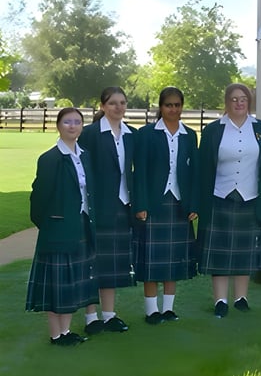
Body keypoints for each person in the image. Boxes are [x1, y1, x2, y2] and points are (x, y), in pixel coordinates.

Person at [198, 83, 261, 318]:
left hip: (251, 197)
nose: (239, 103)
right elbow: (203, 167)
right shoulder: (213, 130)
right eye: (234, 99)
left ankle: (241, 298)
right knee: (220, 253)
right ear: (226, 102)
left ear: (248, 102)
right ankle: (220, 300)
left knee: (244, 252)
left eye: (243, 99)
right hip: (220, 197)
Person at [26, 107, 99, 346]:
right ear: (58, 125)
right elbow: (39, 199)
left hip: (82, 225)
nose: (72, 126)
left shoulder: (84, 155)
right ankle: (56, 335)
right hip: (57, 229)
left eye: (77, 122)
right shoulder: (49, 159)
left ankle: (66, 332)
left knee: (72, 283)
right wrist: (50, 224)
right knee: (58, 284)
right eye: (67, 122)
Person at [133, 87, 199, 324]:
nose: (173, 109)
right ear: (160, 107)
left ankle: (168, 309)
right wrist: (140, 204)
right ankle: (152, 311)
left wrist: (194, 204)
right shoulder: (146, 134)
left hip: (179, 203)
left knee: (173, 259)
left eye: (177, 105)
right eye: (169, 105)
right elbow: (138, 173)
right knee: (151, 261)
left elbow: (194, 173)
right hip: (153, 203)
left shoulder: (189, 135)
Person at [78, 86, 135, 335]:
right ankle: (91, 317)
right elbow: (81, 171)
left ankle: (110, 315)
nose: (119, 107)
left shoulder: (131, 134)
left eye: (122, 103)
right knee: (93, 264)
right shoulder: (89, 134)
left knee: (111, 265)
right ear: (102, 106)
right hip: (97, 207)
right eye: (113, 103)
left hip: (123, 205)